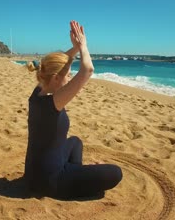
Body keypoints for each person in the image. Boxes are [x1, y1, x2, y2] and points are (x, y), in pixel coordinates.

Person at [24, 20, 122, 199]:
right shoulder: (53, 102)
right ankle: (77, 181)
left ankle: (78, 175)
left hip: (32, 174)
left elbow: (58, 64)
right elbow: (87, 70)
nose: (69, 79)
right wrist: (83, 46)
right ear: (55, 79)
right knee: (116, 173)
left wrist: (74, 48)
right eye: (67, 76)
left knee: (75, 142)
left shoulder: (38, 92)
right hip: (50, 181)